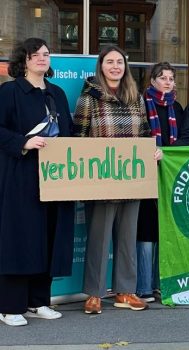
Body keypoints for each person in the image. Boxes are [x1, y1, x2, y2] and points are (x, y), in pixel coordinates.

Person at [74, 45, 161, 314]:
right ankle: (95, 294)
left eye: (120, 62)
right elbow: (78, 138)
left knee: (127, 238)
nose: (115, 67)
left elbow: (145, 133)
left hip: (132, 179)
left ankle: (125, 291)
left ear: (125, 67)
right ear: (101, 66)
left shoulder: (136, 98)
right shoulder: (89, 97)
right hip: (101, 180)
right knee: (99, 240)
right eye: (110, 62)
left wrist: (153, 151)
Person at [0, 38, 75, 326]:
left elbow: (67, 133)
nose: (42, 58)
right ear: (24, 60)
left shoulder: (56, 93)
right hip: (21, 176)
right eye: (35, 54)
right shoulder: (10, 92)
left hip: (54, 177)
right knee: (20, 239)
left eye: (46, 54)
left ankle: (38, 301)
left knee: (48, 237)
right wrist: (23, 142)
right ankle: (10, 306)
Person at [136, 62, 186, 303]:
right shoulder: (141, 103)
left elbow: (184, 139)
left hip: (170, 174)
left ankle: (160, 283)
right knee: (146, 229)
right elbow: (135, 134)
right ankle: (144, 286)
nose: (167, 82)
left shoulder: (177, 107)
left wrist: (171, 154)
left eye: (171, 78)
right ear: (152, 80)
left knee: (164, 228)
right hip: (145, 173)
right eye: (162, 77)